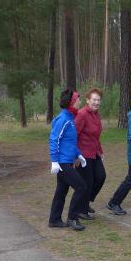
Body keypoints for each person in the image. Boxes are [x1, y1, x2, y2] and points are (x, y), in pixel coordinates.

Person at [48, 89, 88, 230]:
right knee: (81, 187)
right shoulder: (63, 119)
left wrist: (79, 154)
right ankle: (72, 218)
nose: (80, 102)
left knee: (61, 191)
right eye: (78, 100)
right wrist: (54, 161)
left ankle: (54, 219)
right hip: (62, 163)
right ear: (71, 102)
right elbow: (54, 140)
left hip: (67, 160)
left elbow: (69, 142)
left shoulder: (70, 118)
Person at [75, 88, 106, 219]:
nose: (96, 102)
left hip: (95, 152)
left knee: (100, 176)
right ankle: (81, 211)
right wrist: (76, 155)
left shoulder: (96, 114)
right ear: (87, 100)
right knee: (87, 182)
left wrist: (101, 152)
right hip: (83, 154)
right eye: (94, 99)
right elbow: (73, 135)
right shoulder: (82, 114)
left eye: (98, 100)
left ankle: (86, 202)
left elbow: (96, 136)